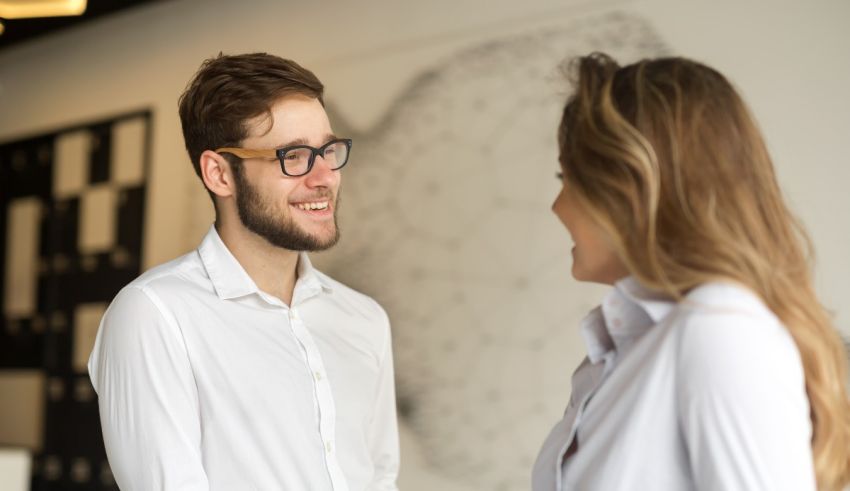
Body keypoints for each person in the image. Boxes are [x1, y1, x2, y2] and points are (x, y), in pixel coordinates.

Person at [532, 52, 850, 491]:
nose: (557, 205)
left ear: (630, 186)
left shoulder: (718, 332)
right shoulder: (622, 352)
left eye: (566, 178)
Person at [88, 53, 399, 490]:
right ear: (219, 174)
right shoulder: (155, 315)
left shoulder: (364, 319)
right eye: (294, 156)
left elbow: (380, 477)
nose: (325, 176)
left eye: (328, 150)